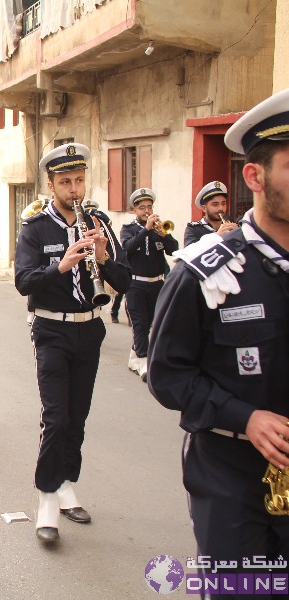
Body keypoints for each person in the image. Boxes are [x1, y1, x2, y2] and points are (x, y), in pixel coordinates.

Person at [148, 88, 289, 593]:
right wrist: (245, 417)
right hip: (232, 479)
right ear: (255, 176)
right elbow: (167, 375)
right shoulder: (207, 272)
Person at [14, 143, 131, 544]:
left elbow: (125, 280)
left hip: (89, 329)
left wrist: (103, 255)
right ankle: (46, 498)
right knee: (57, 416)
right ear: (51, 184)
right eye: (66, 182)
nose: (74, 189)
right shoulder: (35, 227)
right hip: (50, 329)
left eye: (79, 180)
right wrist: (60, 266)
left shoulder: (97, 220)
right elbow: (23, 282)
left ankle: (65, 483)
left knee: (77, 417)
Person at [119, 189, 178, 380]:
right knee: (140, 324)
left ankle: (134, 356)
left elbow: (174, 250)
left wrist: (163, 234)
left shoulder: (158, 230)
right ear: (134, 210)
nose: (146, 210)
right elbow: (128, 248)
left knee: (152, 324)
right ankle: (143, 362)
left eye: (149, 207)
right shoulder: (129, 229)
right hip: (136, 284)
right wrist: (146, 230)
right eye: (142, 207)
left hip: (157, 284)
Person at [184, 181, 240, 247]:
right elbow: (190, 253)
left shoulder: (234, 226)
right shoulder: (193, 229)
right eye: (215, 204)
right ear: (204, 208)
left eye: (223, 203)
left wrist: (238, 234)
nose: (221, 208)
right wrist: (217, 236)